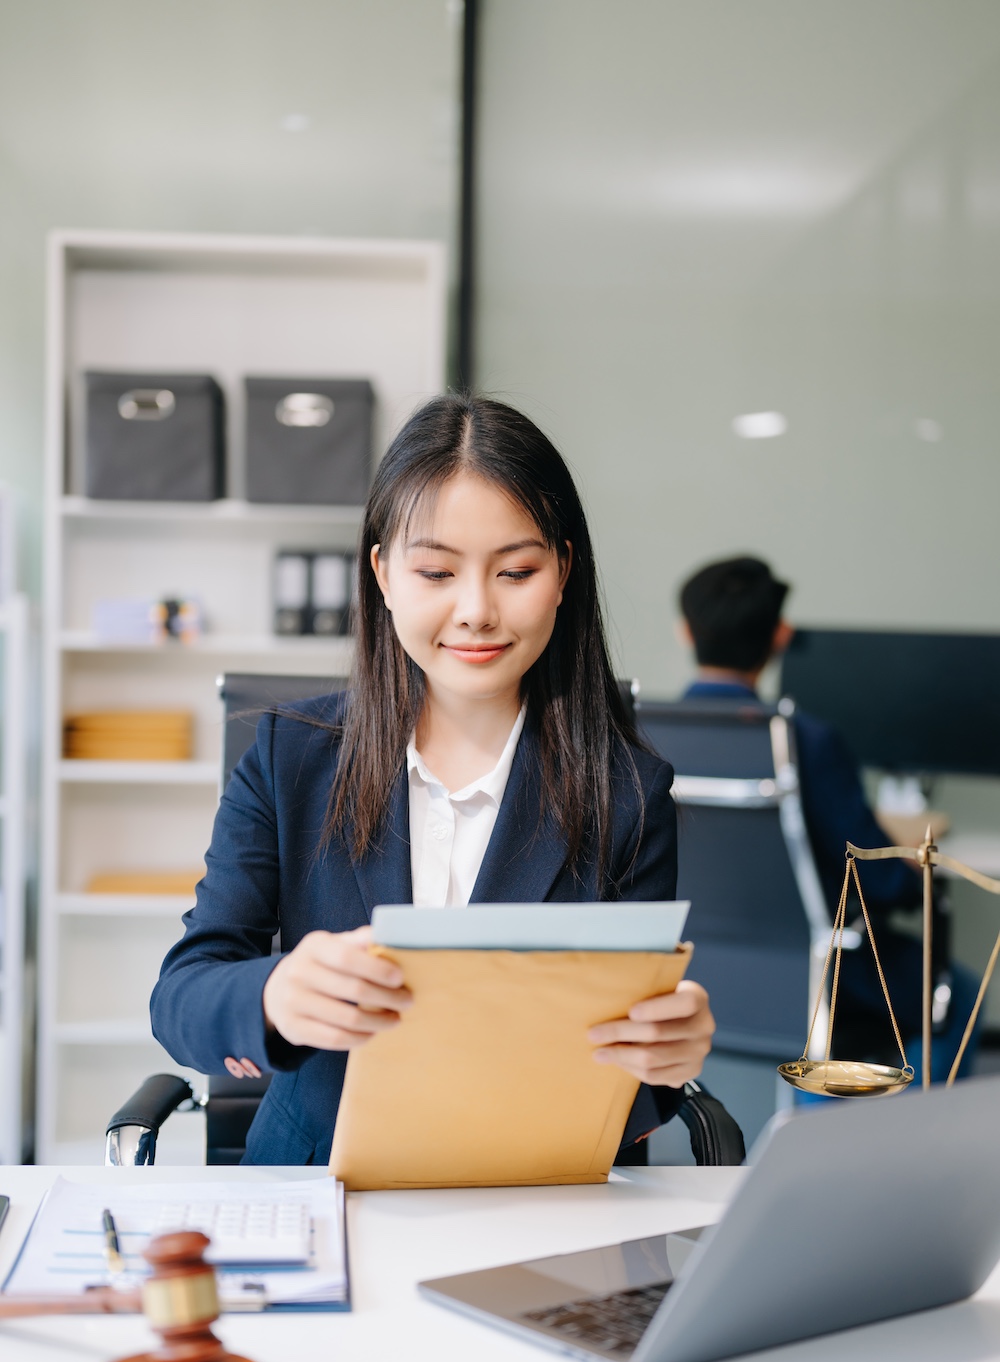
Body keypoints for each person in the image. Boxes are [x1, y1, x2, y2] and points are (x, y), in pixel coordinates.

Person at [151, 396, 715, 1165]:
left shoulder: (628, 793)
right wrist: (273, 995)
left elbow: (635, 1081)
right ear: (383, 575)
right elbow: (182, 997)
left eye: (516, 570)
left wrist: (668, 1062)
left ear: (563, 573)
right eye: (437, 571)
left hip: (532, 1191)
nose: (476, 610)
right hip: (318, 1189)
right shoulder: (290, 757)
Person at [677, 555, 979, 1081]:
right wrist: (911, 875)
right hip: (820, 978)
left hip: (690, 969)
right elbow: (881, 882)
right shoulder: (804, 741)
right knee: (963, 989)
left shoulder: (644, 730)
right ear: (780, 636)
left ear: (686, 632)